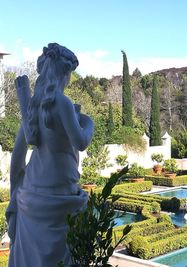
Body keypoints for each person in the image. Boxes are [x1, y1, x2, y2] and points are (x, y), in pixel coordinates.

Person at [6, 43, 94, 267]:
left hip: (32, 193)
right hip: (61, 191)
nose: (69, 80)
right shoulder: (62, 103)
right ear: (63, 73)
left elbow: (17, 159)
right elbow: (81, 142)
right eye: (69, 75)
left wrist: (16, 192)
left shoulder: (33, 107)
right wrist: (87, 121)